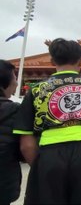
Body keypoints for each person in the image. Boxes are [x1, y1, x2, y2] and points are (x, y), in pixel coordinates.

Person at [14, 38, 81, 204]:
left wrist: (40, 165)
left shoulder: (36, 90)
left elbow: (26, 143)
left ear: (52, 61)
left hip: (49, 153)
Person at [0, 60, 21, 204]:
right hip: (3, 181)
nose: (17, 83)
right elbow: (24, 148)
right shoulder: (15, 110)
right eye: (14, 78)